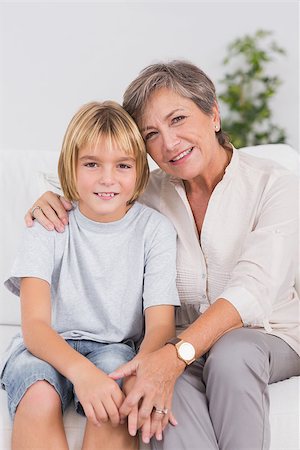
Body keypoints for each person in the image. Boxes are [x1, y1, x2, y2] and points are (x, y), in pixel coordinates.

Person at [24, 61, 300, 450]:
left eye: (179, 119)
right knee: (156, 395)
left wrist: (177, 354)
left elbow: (253, 290)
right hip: (178, 346)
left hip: (267, 337)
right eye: (152, 133)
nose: (169, 143)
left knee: (230, 355)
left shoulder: (276, 185)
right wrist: (51, 201)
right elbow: (95, 188)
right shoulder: (147, 192)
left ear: (214, 115)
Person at [1, 100, 181, 450]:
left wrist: (141, 371)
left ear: (139, 170)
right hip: (45, 347)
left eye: (123, 165)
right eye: (92, 164)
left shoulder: (154, 230)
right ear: (71, 166)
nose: (107, 178)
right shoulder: (48, 224)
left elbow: (160, 326)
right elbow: (35, 328)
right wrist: (82, 374)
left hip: (115, 349)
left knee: (115, 401)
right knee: (38, 396)